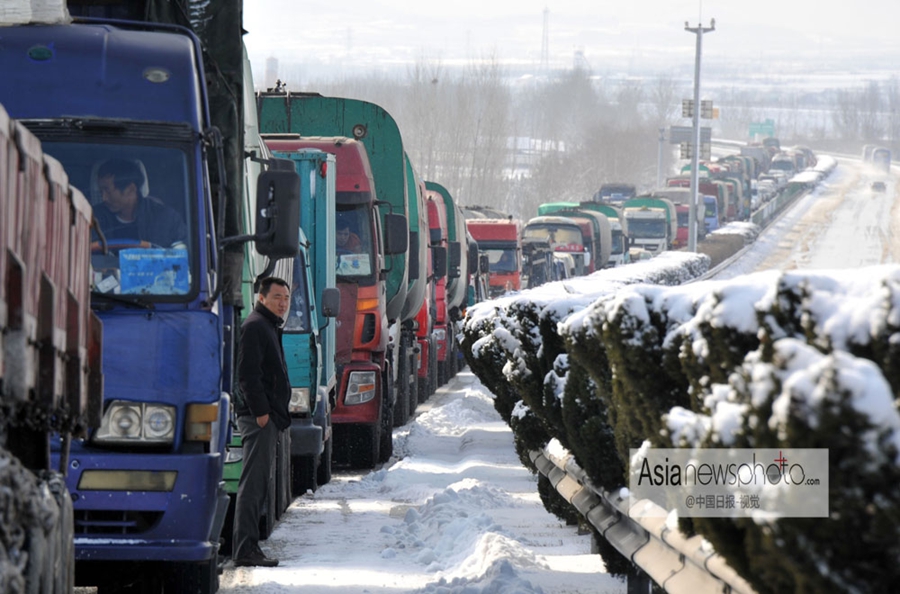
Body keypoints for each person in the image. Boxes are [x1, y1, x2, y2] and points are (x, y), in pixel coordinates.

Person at [232, 277, 292, 568]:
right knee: (252, 485)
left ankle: (249, 546)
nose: (283, 303)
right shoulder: (255, 325)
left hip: (268, 417)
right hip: (258, 419)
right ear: (261, 297)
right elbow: (248, 375)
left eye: (286, 298)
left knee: (258, 485)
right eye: (277, 296)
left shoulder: (268, 325)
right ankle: (245, 550)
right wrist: (261, 413)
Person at [92, 158, 188, 248]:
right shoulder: (92, 219)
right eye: (101, 191)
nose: (103, 198)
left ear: (131, 189)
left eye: (107, 191)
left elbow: (185, 256)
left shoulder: (167, 220)